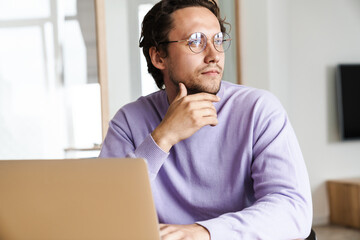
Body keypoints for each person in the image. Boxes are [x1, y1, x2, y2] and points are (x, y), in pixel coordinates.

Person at [99, 0, 313, 239]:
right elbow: (105, 213)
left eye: (218, 40)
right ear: (159, 56)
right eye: (195, 42)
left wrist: (204, 232)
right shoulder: (128, 121)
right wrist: (163, 138)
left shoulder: (259, 110)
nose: (214, 55)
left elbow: (293, 209)